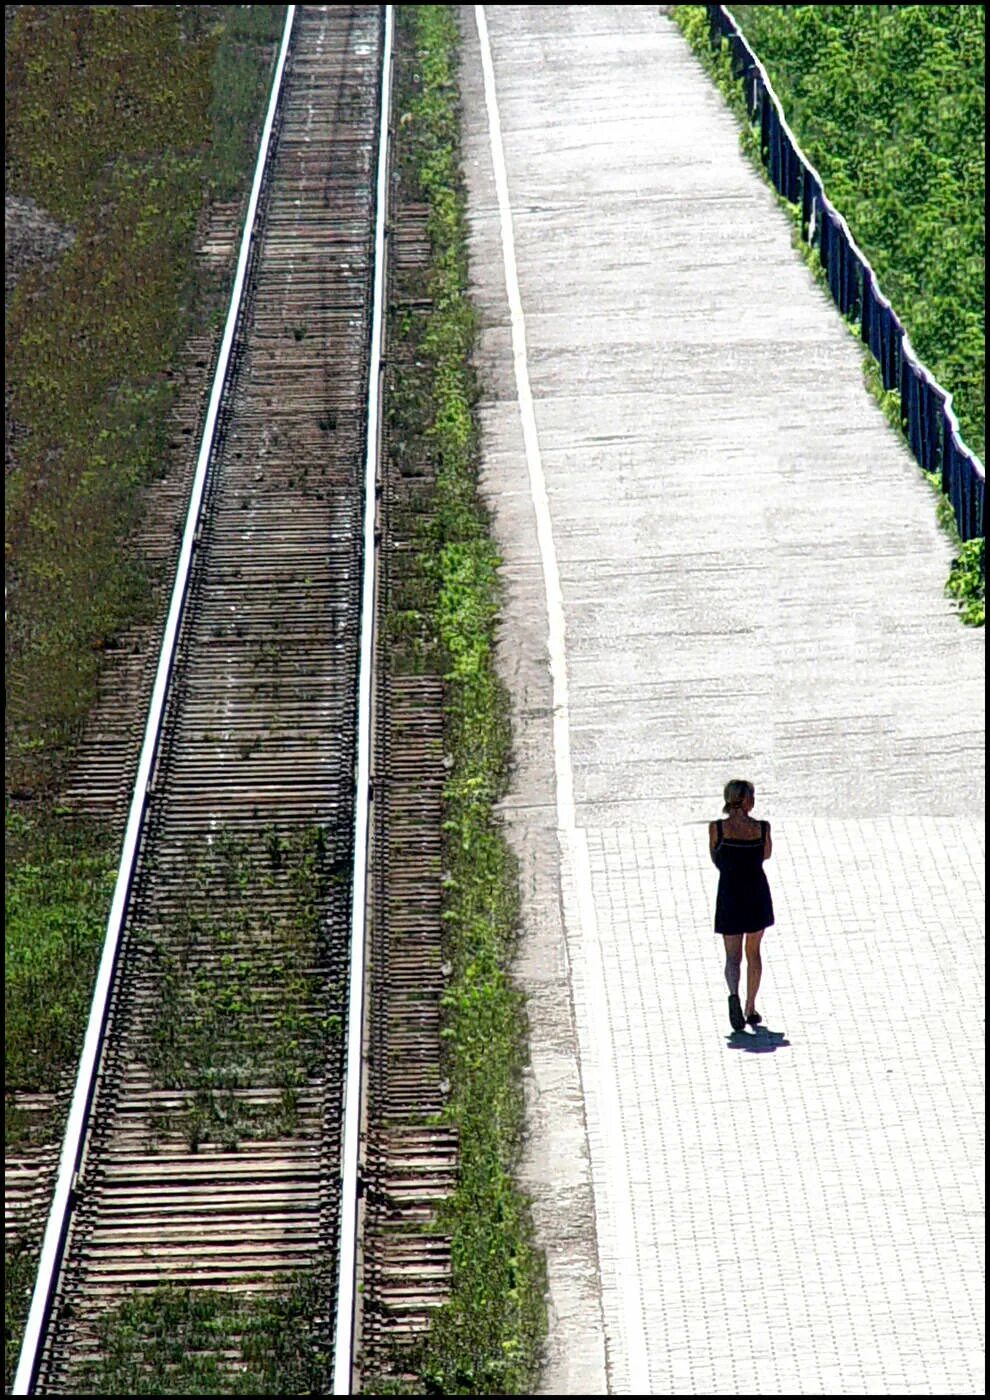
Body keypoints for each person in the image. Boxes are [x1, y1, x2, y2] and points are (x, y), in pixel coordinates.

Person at [708, 779, 774, 1032]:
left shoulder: (718, 828)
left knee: (732, 956)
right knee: (753, 952)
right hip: (756, 892)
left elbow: (715, 857)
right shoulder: (762, 828)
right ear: (746, 800)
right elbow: (765, 855)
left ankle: (733, 993)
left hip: (729, 893)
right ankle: (750, 1006)